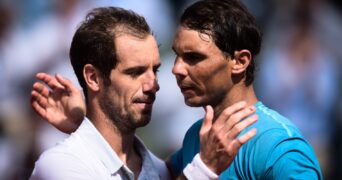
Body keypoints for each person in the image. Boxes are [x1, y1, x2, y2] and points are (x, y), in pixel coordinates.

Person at [31, 0, 323, 179]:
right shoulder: (198, 140)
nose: (176, 69)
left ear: (239, 62)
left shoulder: (280, 149)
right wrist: (85, 124)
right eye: (177, 56)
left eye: (194, 57)